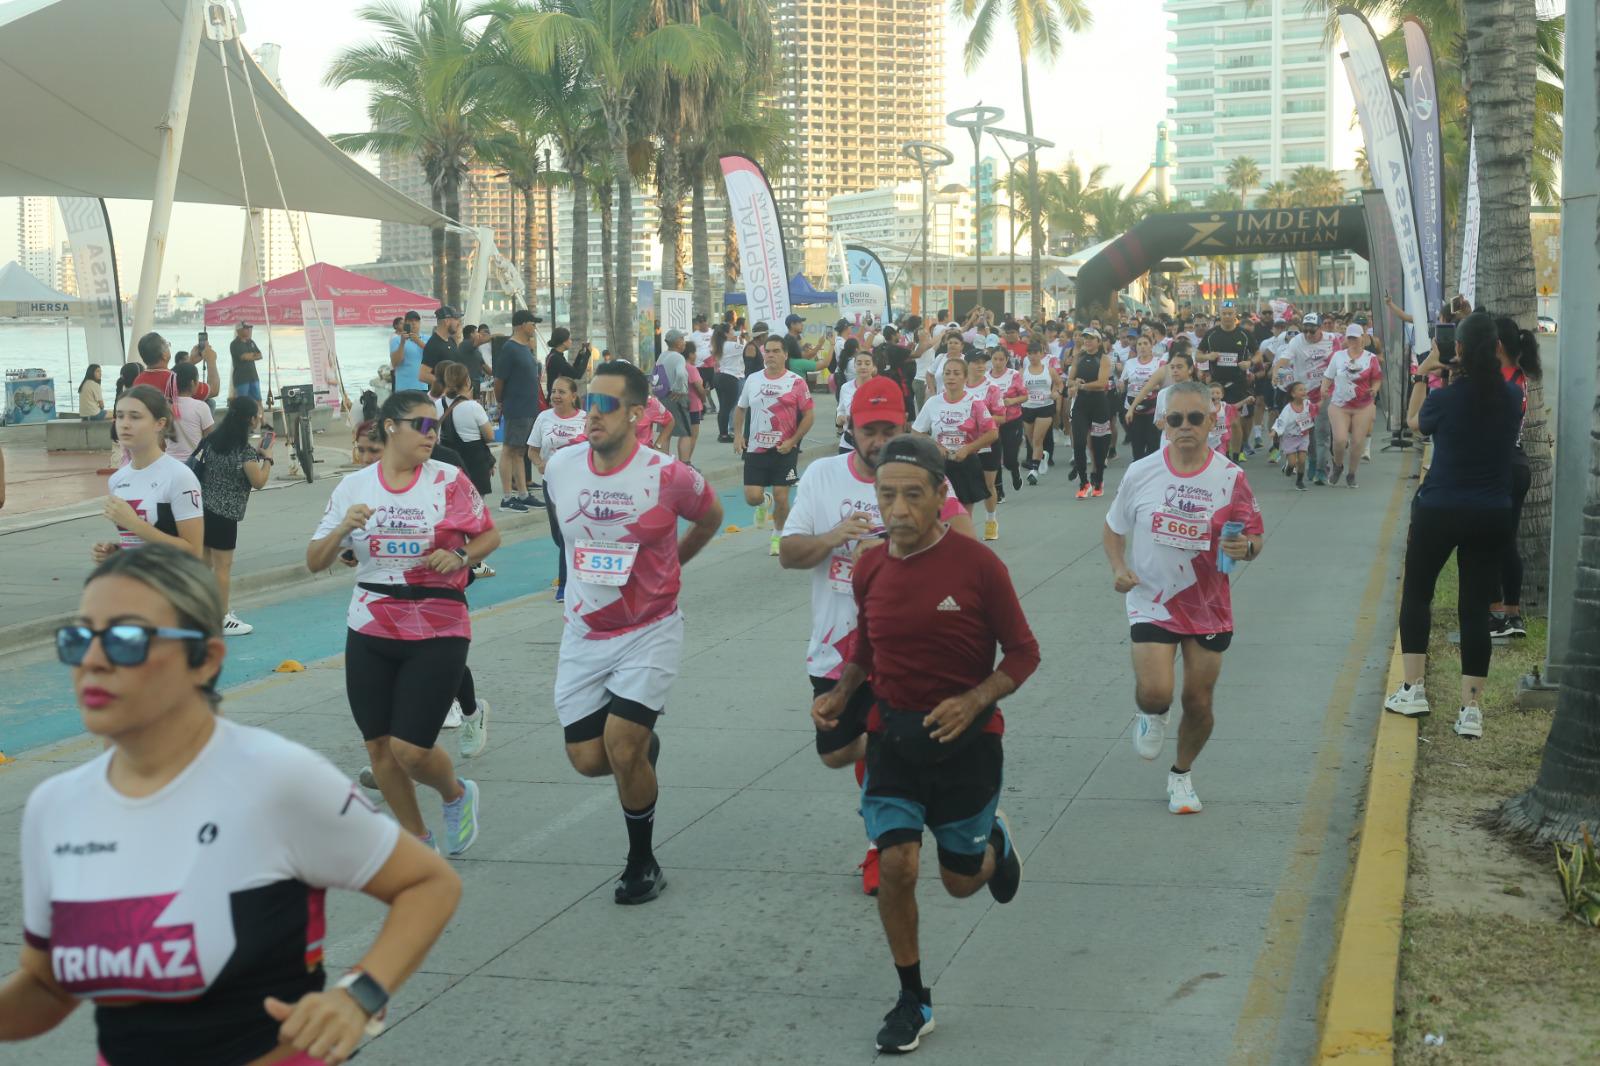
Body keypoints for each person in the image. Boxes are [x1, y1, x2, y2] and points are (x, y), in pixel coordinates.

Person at [2, 545, 461, 1065]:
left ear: (205, 659)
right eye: (79, 638)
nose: (92, 660)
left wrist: (360, 995)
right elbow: (46, 989)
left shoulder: (275, 778)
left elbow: (428, 883)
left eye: (126, 640)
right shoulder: (55, 807)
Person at [811, 432, 1035, 1054]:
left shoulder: (979, 567)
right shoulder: (870, 566)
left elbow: (1024, 652)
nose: (899, 509)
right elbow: (866, 647)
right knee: (899, 866)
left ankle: (994, 840)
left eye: (914, 495)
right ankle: (914, 998)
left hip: (969, 745)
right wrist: (842, 692)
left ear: (942, 495)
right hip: (893, 738)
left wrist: (975, 699)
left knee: (961, 883)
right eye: (888, 496)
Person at [782, 378, 975, 896]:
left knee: (882, 766)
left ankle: (880, 846)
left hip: (907, 645)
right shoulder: (822, 477)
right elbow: (789, 552)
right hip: (836, 646)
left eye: (889, 429)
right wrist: (832, 538)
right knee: (836, 750)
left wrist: (906, 544)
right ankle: (903, 749)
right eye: (870, 430)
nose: (879, 440)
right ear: (851, 428)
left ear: (905, 426)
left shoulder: (921, 476)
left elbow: (969, 544)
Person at [545, 361, 724, 904]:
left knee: (622, 746)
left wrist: (674, 566)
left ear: (636, 413)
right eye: (586, 401)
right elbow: (567, 538)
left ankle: (642, 862)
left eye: (603, 405)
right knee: (588, 759)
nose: (590, 414)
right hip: (585, 631)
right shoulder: (560, 467)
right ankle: (642, 746)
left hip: (651, 627)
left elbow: (712, 516)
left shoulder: (668, 475)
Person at [307, 391, 500, 854]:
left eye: (437, 426)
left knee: (410, 749)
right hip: (371, 624)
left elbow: (489, 534)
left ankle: (455, 795)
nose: (432, 435)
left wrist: (459, 555)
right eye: (422, 425)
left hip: (439, 623)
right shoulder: (354, 487)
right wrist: (340, 530)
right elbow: (315, 561)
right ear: (390, 426)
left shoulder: (448, 480)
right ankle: (418, 841)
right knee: (379, 749)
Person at [1103, 380, 1265, 815]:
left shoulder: (1231, 477)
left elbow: (1254, 535)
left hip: (1208, 603)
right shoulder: (1142, 472)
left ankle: (1181, 775)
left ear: (1213, 421)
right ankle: (1152, 713)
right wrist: (1120, 568)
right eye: (1176, 419)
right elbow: (1114, 526)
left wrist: (1245, 548)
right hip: (1152, 598)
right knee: (1157, 691)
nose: (1186, 427)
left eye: (1196, 418)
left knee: (1198, 700)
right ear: (1162, 423)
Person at [1385, 312, 1523, 740]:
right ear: (1497, 349)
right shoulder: (1510, 396)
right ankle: (1470, 710)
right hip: (1492, 514)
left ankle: (1413, 689)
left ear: (1458, 349)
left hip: (1440, 509)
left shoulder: (1445, 396)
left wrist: (1425, 374)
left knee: (1418, 594)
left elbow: (1414, 425)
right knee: (1474, 608)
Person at [192, 395, 273, 636]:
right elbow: (258, 481)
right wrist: (267, 458)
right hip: (225, 515)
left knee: (204, 564)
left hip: (202, 510)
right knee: (223, 568)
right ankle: (222, 617)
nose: (259, 419)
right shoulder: (244, 450)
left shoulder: (213, 440)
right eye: (257, 415)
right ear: (249, 419)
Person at [95, 386, 204, 563]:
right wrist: (117, 552)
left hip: (169, 586)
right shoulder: (117, 480)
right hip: (132, 584)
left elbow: (193, 552)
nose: (125, 424)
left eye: (135, 416)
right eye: (120, 416)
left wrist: (134, 524)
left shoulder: (180, 476)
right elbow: (139, 543)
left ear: (159, 423)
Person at [734, 334, 816, 556]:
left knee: (782, 496)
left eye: (775, 351)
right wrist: (738, 435)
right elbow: (741, 408)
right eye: (767, 351)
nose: (770, 355)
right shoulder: (753, 379)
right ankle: (763, 502)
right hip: (756, 449)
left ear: (785, 355)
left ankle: (778, 536)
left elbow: (809, 416)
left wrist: (793, 441)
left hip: (784, 448)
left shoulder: (796, 382)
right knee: (752, 497)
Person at [1489, 317, 1542, 639]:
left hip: (1500, 467)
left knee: (1491, 541)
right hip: (1516, 464)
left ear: (1496, 346)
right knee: (1506, 542)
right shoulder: (1516, 376)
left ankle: (1497, 616)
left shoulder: (1501, 382)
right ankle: (1512, 615)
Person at [913, 355, 997, 512]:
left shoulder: (975, 402)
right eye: (947, 373)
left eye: (957, 373)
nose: (951, 377)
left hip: (966, 463)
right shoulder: (933, 402)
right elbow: (916, 432)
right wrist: (936, 446)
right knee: (939, 513)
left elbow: (992, 434)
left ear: (965, 377)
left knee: (963, 514)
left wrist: (968, 449)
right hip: (938, 464)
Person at [529, 376, 586, 602]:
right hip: (551, 481)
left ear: (573, 396)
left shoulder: (585, 419)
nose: (556, 396)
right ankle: (571, 563)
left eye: (562, 391)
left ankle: (565, 584)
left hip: (578, 482)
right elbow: (532, 450)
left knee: (566, 532)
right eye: (553, 391)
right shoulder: (544, 418)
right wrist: (539, 463)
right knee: (557, 532)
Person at [492, 309, 545, 512]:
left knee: (520, 451)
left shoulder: (525, 348)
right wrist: (501, 402)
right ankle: (507, 497)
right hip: (516, 407)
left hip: (528, 407)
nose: (534, 327)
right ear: (523, 324)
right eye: (532, 323)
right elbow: (499, 380)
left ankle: (522, 493)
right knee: (509, 450)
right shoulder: (510, 348)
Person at [1273, 312, 1334, 483]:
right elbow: (1284, 360)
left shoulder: (1331, 339)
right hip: (1305, 395)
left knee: (1323, 432)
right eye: (1305, 330)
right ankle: (1313, 461)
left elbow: (1340, 362)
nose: (1308, 334)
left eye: (1312, 331)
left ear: (1320, 328)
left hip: (1325, 391)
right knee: (1309, 432)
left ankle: (1322, 469)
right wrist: (1275, 372)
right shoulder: (1297, 341)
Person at [1322, 323, 1384, 487]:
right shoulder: (1338, 356)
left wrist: (1375, 389)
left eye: (1355, 338)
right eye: (1350, 338)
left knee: (1357, 441)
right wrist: (1324, 388)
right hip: (1340, 405)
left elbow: (1377, 379)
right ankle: (1338, 465)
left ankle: (1351, 473)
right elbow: (1328, 376)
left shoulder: (1370, 358)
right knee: (1340, 440)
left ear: (1362, 338)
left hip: (1363, 405)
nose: (1353, 341)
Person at [1066, 327, 1114, 499]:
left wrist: (1082, 385)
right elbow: (1069, 380)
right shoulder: (1078, 357)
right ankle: (1083, 482)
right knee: (1078, 442)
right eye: (1085, 338)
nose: (1087, 341)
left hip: (1099, 403)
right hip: (1081, 404)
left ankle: (1098, 479)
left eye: (1091, 338)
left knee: (1099, 446)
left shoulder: (1104, 359)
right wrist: (1074, 382)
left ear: (1098, 342)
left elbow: (1102, 383)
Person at [438, 362, 496, 496]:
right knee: (476, 507)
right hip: (474, 461)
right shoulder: (473, 407)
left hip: (448, 460)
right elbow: (489, 436)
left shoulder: (436, 404)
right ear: (467, 381)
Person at [1020, 337, 1062, 484]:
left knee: (1037, 439)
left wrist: (1056, 393)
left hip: (1045, 407)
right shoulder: (1022, 372)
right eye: (1029, 353)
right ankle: (1042, 456)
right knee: (1031, 440)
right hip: (1028, 407)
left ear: (1041, 353)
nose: (1032, 356)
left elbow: (1059, 384)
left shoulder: (1049, 370)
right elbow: (1018, 390)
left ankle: (1033, 471)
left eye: (1035, 353)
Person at [986, 344, 1028, 492]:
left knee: (1009, 459)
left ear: (1007, 360)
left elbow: (1025, 396)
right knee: (995, 458)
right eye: (995, 359)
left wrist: (1012, 401)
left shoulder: (1014, 375)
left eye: (1001, 359)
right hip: (993, 422)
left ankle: (1015, 472)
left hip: (1012, 420)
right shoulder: (985, 377)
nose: (998, 362)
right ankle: (999, 492)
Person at [1120, 335, 1166, 461]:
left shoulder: (1159, 363)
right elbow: (1123, 383)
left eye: (1146, 343)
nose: (1142, 347)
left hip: (1153, 409)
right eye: (1139, 344)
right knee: (1137, 446)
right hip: (1133, 409)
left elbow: (1164, 384)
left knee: (1153, 446)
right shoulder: (1130, 363)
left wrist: (1150, 387)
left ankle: (1151, 472)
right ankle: (1138, 473)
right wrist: (1121, 385)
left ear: (1152, 346)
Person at [656, 328, 695, 463]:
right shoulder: (678, 357)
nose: (684, 342)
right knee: (685, 432)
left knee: (665, 432)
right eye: (682, 339)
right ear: (677, 342)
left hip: (663, 398)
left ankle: (664, 463)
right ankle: (685, 464)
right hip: (676, 398)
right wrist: (679, 389)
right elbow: (681, 374)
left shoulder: (662, 356)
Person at [166, 361, 215, 464]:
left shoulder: (164, 406)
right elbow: (210, 438)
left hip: (169, 462)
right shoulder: (200, 407)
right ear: (193, 383)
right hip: (193, 462)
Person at [1271, 381, 1316, 490]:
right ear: (1293, 394)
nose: (1304, 391)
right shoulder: (1288, 408)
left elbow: (1315, 409)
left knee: (1302, 460)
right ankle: (1288, 467)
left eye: (1304, 389)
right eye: (1300, 390)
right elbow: (1281, 420)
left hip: (1303, 436)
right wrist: (1274, 431)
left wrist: (1323, 399)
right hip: (1290, 437)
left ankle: (1299, 481)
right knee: (1292, 462)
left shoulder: (1307, 404)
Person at [712, 322, 743, 441]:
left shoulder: (720, 345)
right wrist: (742, 338)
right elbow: (747, 349)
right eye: (731, 330)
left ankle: (723, 433)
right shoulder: (730, 345)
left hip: (720, 376)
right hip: (730, 377)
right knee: (728, 407)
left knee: (723, 407)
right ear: (726, 333)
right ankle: (724, 434)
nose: (733, 332)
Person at [131, 332, 180, 405]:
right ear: (164, 355)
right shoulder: (173, 378)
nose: (169, 347)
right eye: (167, 345)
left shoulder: (138, 380)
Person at [419, 305, 460, 388]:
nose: (458, 323)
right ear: (447, 321)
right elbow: (423, 375)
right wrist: (446, 385)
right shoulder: (433, 345)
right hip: (440, 398)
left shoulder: (451, 341)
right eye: (455, 319)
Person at [391, 311, 426, 394]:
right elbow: (395, 363)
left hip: (423, 387)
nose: (414, 323)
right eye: (410, 321)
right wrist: (402, 342)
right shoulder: (396, 340)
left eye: (416, 320)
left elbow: (433, 356)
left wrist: (418, 341)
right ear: (406, 323)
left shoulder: (427, 339)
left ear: (420, 323)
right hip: (403, 388)